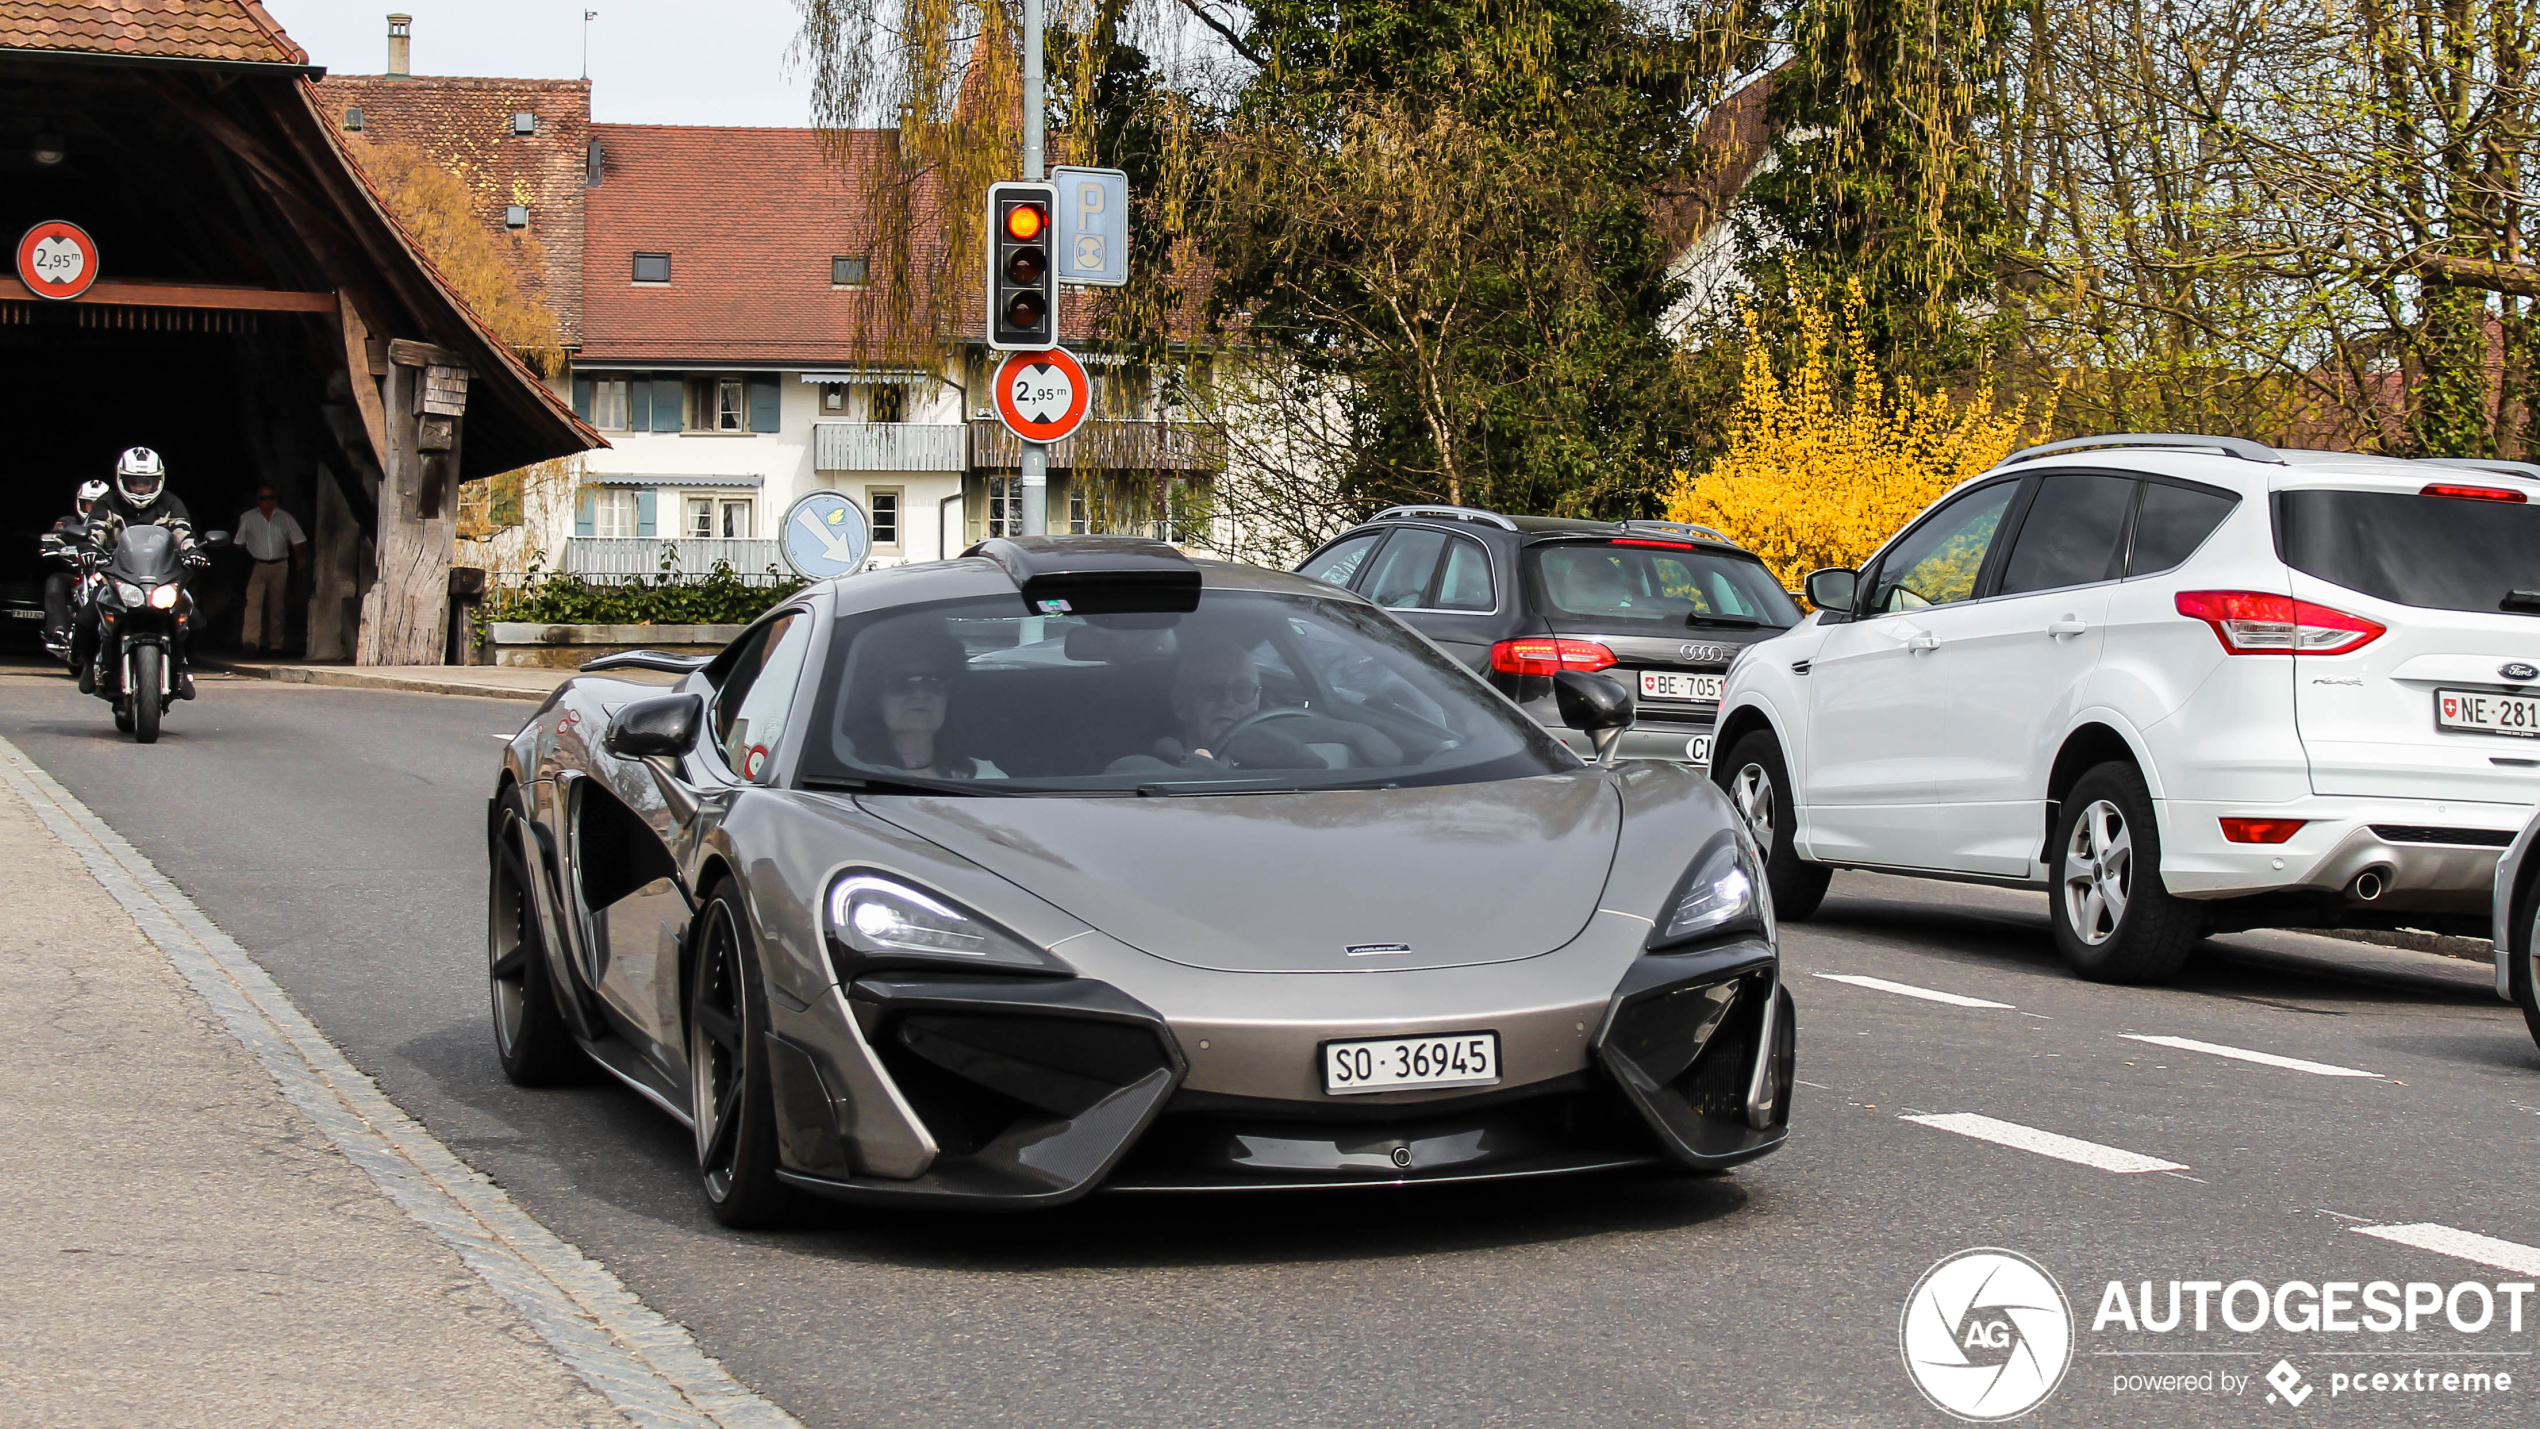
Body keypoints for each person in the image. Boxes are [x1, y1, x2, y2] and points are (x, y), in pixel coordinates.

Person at [1109, 637, 1400, 774]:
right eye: (1213, 690)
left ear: (1258, 698)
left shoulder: (1287, 757)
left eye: (1242, 690)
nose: (1228, 701)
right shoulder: (1153, 774)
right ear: (1182, 705)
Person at [77, 447, 202, 699]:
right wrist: (90, 548)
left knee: (197, 621)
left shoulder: (171, 503)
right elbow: (95, 530)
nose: (141, 488)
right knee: (86, 618)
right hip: (117, 573)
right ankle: (88, 666)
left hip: (162, 576)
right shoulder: (107, 503)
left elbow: (183, 532)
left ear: (160, 479)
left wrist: (193, 552)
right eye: (134, 481)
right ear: (121, 479)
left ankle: (184, 667)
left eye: (147, 482)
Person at [840, 623, 1004, 779]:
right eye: (901, 682)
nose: (920, 694)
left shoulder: (986, 776)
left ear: (950, 697)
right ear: (872, 697)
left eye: (934, 682)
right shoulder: (849, 778)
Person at [234, 484, 309, 655]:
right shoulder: (248, 518)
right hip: (257, 565)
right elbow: (238, 543)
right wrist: (244, 563)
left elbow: (299, 540)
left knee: (278, 606)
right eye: (263, 498)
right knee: (253, 604)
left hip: (280, 564)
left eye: (271, 498)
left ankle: (276, 644)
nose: (267, 502)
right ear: (257, 500)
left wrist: (301, 559)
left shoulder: (285, 518)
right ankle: (250, 642)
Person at [39, 479, 107, 653]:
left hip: (108, 577)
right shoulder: (69, 521)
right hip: (78, 576)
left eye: (98, 505)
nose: (93, 509)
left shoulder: (116, 524)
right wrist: (52, 544)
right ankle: (59, 630)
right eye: (88, 504)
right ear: (79, 503)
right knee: (55, 581)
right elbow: (56, 535)